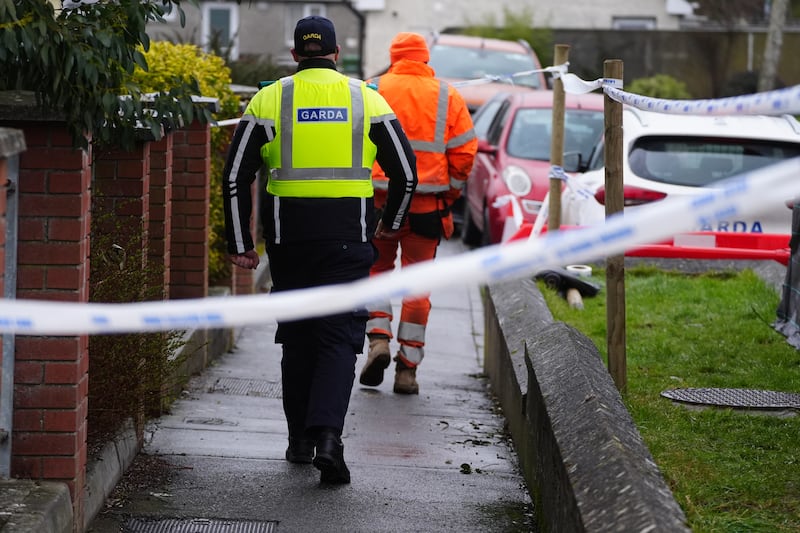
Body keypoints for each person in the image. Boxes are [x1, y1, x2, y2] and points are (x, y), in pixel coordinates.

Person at [221, 16, 417, 485]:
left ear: (295, 55)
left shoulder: (270, 98)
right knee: (337, 339)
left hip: (290, 242)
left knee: (299, 336)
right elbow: (406, 174)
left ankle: (299, 442)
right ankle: (328, 437)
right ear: (335, 54)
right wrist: (389, 225)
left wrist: (241, 244)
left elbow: (234, 177)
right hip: (349, 240)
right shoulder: (364, 97)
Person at [359, 32, 477, 394]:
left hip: (379, 200)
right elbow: (464, 154)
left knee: (376, 271)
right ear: (426, 60)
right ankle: (407, 369)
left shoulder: (371, 89)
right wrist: (451, 192)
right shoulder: (447, 95)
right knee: (417, 284)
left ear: (394, 58)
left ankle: (378, 337)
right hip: (427, 206)